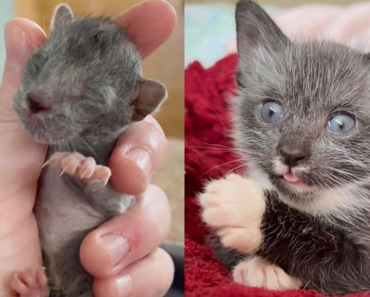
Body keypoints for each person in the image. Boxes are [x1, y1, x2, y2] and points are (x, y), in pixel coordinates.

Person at [0, 1, 177, 296]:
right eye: (41, 64)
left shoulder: (107, 158)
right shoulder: (20, 150)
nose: (39, 98)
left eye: (89, 97)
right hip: (35, 270)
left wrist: (93, 182)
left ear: (134, 106)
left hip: (86, 277)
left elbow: (114, 205)